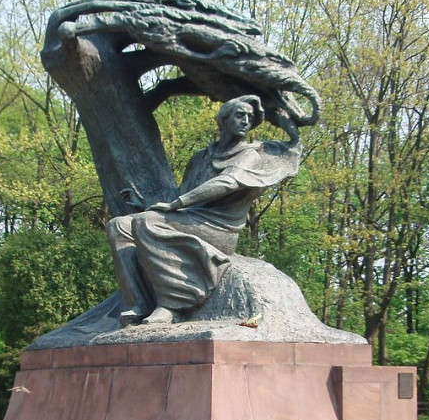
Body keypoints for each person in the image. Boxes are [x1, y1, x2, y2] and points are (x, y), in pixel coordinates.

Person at [107, 95, 302, 325]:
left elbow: (227, 183)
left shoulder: (249, 155)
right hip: (190, 218)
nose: (246, 121)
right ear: (224, 120)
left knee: (145, 222)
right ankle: (139, 303)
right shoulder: (201, 157)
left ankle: (171, 305)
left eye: (250, 118)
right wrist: (144, 203)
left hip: (219, 227)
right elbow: (182, 192)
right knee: (119, 225)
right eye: (240, 115)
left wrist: (176, 205)